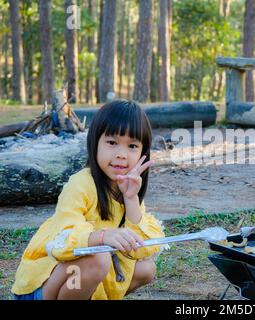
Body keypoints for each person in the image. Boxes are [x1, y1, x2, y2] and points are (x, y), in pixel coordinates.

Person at [11, 100, 165, 300]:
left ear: (143, 154)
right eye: (112, 143)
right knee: (99, 257)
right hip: (43, 286)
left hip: (84, 275)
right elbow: (62, 239)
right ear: (95, 143)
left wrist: (131, 199)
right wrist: (102, 237)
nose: (121, 155)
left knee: (146, 268)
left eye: (132, 146)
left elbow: (140, 248)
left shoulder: (129, 190)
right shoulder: (81, 184)